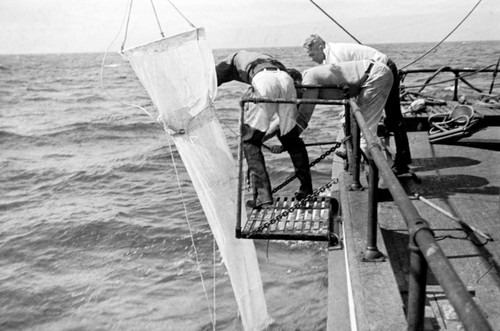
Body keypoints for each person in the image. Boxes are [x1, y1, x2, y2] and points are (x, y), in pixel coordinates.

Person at [215, 50, 313, 208]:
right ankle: (306, 189)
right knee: (291, 139)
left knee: (250, 142)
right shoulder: (262, 57)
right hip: (285, 79)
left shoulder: (232, 59)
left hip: (264, 80)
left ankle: (263, 197)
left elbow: (214, 78)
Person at [303, 34, 412, 174]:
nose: (311, 58)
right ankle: (356, 151)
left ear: (320, 47)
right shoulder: (329, 57)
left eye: (311, 54)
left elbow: (347, 87)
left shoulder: (336, 56)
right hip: (370, 75)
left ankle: (403, 160)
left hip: (383, 69)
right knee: (367, 116)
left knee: (393, 116)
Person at [282, 60, 393, 164]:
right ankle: (367, 165)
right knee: (354, 124)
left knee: (365, 133)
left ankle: (382, 176)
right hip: (372, 75)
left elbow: (303, 118)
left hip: (375, 76)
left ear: (295, 83)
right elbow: (288, 117)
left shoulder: (308, 81)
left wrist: (286, 143)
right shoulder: (305, 82)